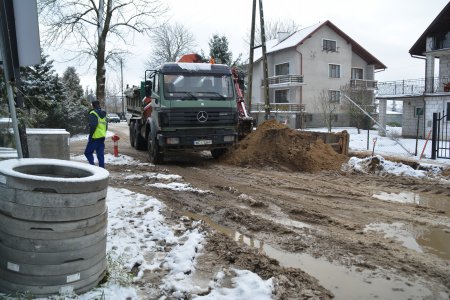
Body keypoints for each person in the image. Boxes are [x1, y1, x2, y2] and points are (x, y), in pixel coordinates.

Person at [84, 100, 107, 168]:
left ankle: (93, 167)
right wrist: (103, 133)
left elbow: (93, 125)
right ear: (99, 105)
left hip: (95, 137)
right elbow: (106, 126)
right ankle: (102, 169)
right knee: (100, 154)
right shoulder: (103, 114)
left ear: (93, 105)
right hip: (102, 136)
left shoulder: (93, 113)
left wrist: (91, 136)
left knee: (87, 153)